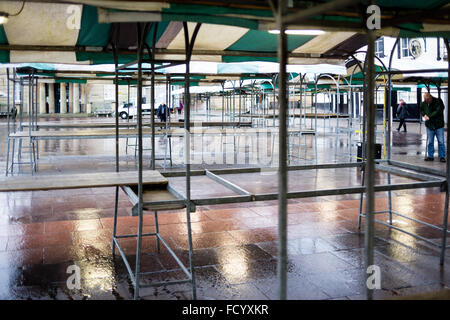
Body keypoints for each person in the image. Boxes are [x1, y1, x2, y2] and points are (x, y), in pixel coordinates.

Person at [420, 93, 446, 162]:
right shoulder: (424, 103)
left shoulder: (438, 101)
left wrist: (429, 116)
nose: (426, 101)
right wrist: (424, 115)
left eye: (427, 100)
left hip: (438, 125)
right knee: (430, 142)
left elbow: (438, 111)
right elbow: (421, 110)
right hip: (429, 125)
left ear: (431, 97)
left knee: (441, 142)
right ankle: (430, 156)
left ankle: (442, 156)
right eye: (425, 100)